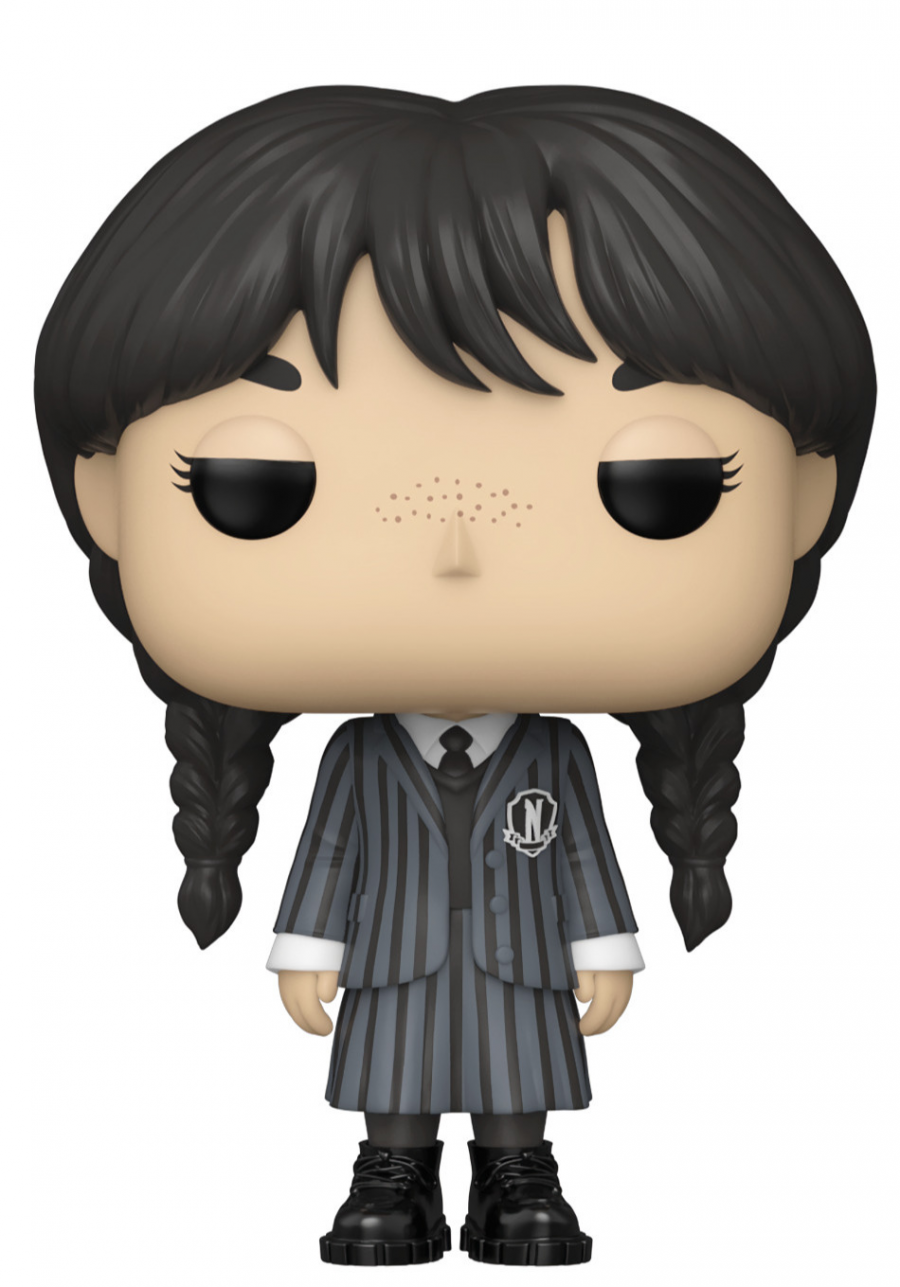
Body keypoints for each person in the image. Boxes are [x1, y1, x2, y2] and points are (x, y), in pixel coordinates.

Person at [34, 85, 876, 1267]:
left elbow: (582, 857)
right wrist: (306, 949)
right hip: (392, 968)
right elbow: (331, 853)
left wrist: (605, 949)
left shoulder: (556, 754)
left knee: (519, 1093)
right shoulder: (358, 756)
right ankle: (393, 1179)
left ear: (804, 500)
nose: (456, 554)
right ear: (106, 500)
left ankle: (519, 1178)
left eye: (661, 486)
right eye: (255, 487)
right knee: (394, 1093)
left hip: (525, 968)